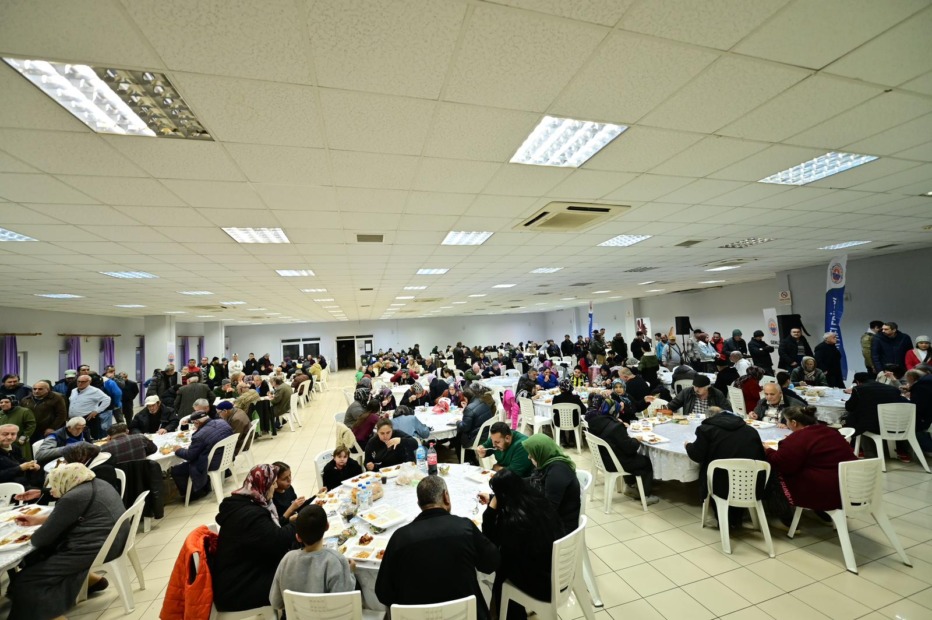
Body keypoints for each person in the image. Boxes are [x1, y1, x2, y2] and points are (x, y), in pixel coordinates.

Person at [7, 464, 126, 619]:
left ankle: (50, 614)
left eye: (55, 485)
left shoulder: (73, 497)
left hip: (96, 547)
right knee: (39, 555)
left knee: (27, 579)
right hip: (114, 539)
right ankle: (90, 581)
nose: (53, 490)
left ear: (66, 481)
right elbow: (72, 516)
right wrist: (38, 520)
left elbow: (40, 539)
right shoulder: (98, 483)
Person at [375, 476, 499, 619]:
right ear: (446, 497)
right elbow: (491, 563)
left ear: (419, 503)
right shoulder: (464, 527)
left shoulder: (400, 537)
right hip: (465, 615)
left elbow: (383, 593)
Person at [480, 469, 565, 620]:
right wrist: (494, 497)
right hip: (560, 570)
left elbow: (490, 540)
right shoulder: (536, 500)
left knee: (499, 571)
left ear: (503, 496)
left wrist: (490, 510)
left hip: (544, 584)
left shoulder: (514, 521)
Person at [213, 464, 298, 612]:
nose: (275, 487)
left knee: (295, 560)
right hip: (238, 588)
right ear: (263, 485)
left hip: (241, 572)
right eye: (273, 483)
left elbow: (269, 533)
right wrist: (299, 523)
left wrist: (288, 522)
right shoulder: (251, 514)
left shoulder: (244, 502)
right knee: (298, 574)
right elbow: (278, 540)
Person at [764, 406, 857, 524]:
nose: (786, 424)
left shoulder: (799, 438)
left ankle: (785, 518)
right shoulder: (829, 431)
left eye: (786, 421)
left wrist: (768, 450)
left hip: (828, 490)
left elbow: (781, 463)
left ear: (794, 423)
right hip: (852, 485)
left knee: (773, 472)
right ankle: (820, 513)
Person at [685, 407, 766, 526]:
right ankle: (736, 519)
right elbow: (761, 456)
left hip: (721, 484)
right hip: (750, 482)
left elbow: (697, 456)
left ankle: (726, 521)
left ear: (709, 418)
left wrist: (688, 446)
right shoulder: (750, 430)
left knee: (716, 471)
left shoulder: (706, 430)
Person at [269, 504, 355, 612]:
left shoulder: (287, 559)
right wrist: (350, 572)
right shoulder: (336, 560)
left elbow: (276, 602)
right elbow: (342, 604)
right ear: (327, 526)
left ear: (298, 537)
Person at [584, 393, 659, 505]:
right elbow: (630, 448)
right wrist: (636, 440)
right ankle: (646, 495)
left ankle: (630, 486)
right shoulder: (616, 427)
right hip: (614, 462)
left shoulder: (594, 421)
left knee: (632, 458)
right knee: (645, 461)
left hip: (602, 459)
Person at [522, 435, 581, 534]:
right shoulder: (547, 463)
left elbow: (549, 510)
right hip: (553, 517)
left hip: (561, 526)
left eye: (531, 454)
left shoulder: (557, 472)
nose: (529, 457)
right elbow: (534, 480)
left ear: (541, 452)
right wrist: (513, 482)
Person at [170, 411, 235, 500]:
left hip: (213, 462)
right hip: (227, 456)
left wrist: (178, 450)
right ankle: (205, 486)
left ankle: (194, 494)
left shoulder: (199, 436)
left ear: (197, 422)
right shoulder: (223, 422)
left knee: (176, 470)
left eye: (194, 423)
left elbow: (189, 455)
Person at [844, 371, 909, 439]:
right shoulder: (892, 389)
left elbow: (849, 407)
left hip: (870, 426)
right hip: (892, 425)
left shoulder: (858, 389)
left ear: (858, 382)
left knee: (849, 417)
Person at [660, 375, 730, 416]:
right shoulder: (687, 392)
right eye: (695, 386)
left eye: (699, 387)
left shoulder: (717, 394)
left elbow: (728, 411)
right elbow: (672, 405)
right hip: (691, 422)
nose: (696, 389)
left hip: (710, 423)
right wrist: (661, 412)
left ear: (707, 387)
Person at [68, 373, 111, 440]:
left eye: (83, 382)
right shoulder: (74, 391)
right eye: (78, 381)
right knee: (74, 439)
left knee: (90, 439)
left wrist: (97, 411)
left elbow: (107, 399)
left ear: (89, 382)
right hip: (74, 419)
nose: (80, 383)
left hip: (88, 419)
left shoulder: (95, 391)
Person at [456, 387, 494, 452]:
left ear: (466, 398)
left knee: (457, 438)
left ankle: (466, 457)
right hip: (487, 433)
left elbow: (465, 427)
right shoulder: (482, 401)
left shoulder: (469, 408)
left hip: (477, 437)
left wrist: (457, 422)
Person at [270, 461, 309, 526]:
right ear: (275, 480)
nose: (289, 479)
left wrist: (316, 496)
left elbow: (298, 506)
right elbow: (278, 525)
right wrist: (291, 508)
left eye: (290, 475)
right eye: (285, 478)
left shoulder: (289, 488)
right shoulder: (272, 497)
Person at [0, 395, 36, 460]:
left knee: (22, 459)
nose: (3, 404)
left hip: (19, 441)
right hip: (3, 442)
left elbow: (31, 425)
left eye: (6, 402)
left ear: (13, 402)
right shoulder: (0, 413)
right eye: (1, 402)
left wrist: (24, 436)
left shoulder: (24, 411)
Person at [552, 378, 585, 447]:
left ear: (560, 388)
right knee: (574, 415)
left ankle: (562, 438)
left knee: (558, 416)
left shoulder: (556, 398)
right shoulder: (576, 398)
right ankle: (571, 439)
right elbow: (583, 410)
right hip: (574, 422)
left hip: (559, 422)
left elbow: (554, 411)